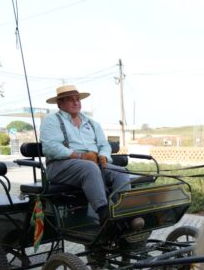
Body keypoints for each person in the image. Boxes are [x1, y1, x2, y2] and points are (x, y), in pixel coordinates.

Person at [40, 84, 144, 231]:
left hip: (93, 164)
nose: (76, 102)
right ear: (60, 103)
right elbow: (51, 147)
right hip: (60, 166)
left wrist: (104, 156)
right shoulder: (52, 120)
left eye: (77, 99)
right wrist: (81, 156)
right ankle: (104, 215)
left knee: (121, 172)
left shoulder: (91, 123)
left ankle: (126, 212)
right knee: (89, 167)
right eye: (70, 100)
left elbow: (104, 145)